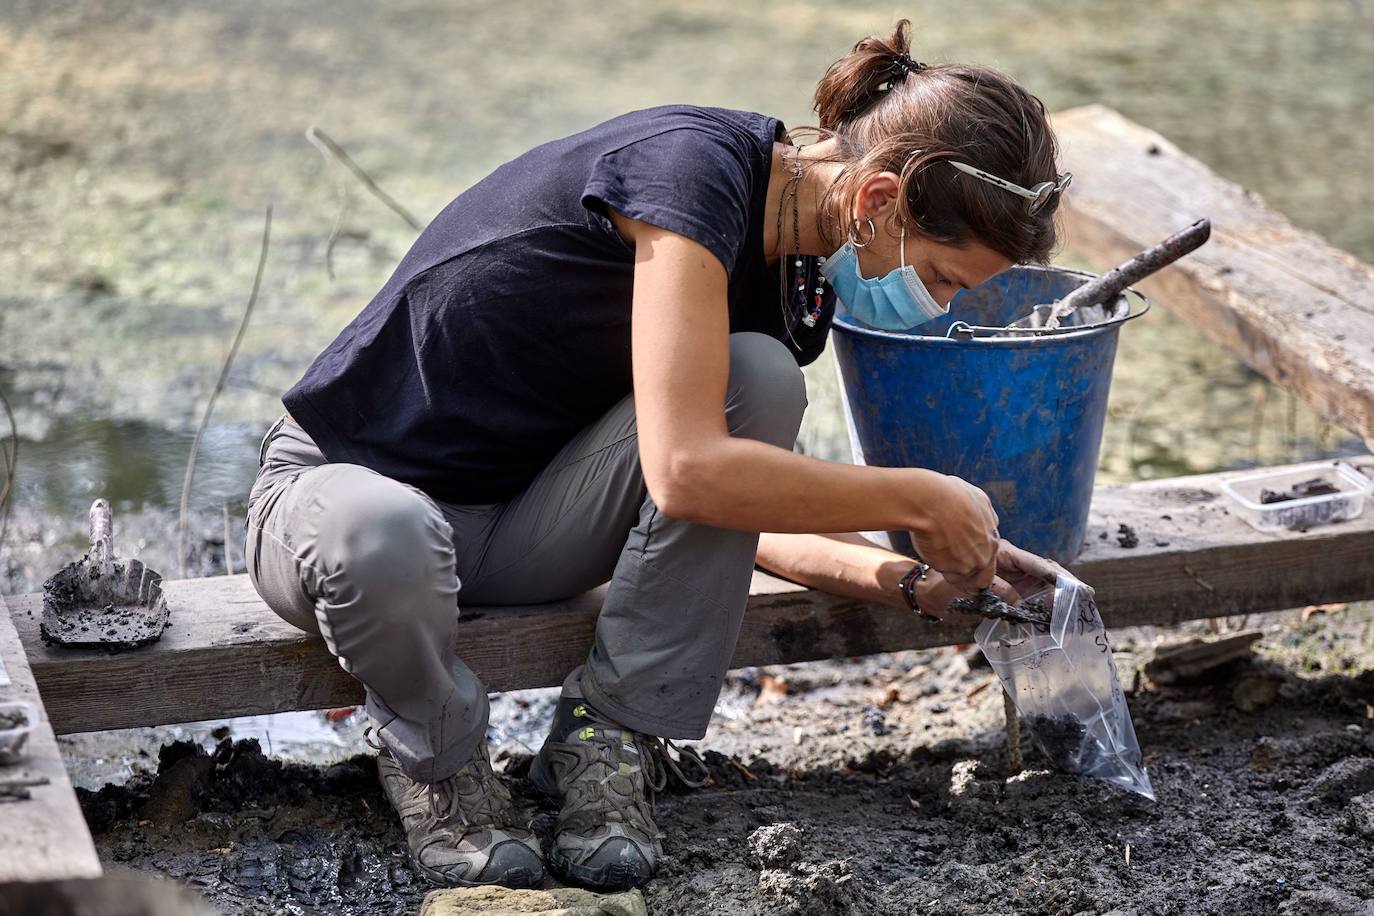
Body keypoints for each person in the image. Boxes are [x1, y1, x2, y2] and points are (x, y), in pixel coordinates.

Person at [244, 19, 1069, 894]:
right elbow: (686, 470)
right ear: (875, 201)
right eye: (943, 276)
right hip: (339, 512)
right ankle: (438, 770)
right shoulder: (687, 173)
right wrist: (919, 498)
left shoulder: (793, 279)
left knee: (760, 376)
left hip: (519, 523)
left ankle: (603, 743)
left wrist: (907, 580)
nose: (937, 308)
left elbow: (724, 510)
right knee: (386, 529)